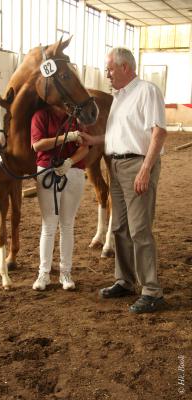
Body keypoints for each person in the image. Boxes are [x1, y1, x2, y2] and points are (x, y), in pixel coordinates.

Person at [80, 47, 167, 313]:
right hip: (116, 166)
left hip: (137, 165)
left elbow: (159, 133)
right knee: (119, 227)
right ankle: (125, 280)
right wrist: (95, 140)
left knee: (140, 229)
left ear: (126, 67)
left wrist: (145, 169)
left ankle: (152, 290)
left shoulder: (147, 91)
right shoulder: (119, 97)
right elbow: (119, 136)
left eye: (110, 69)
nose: (106, 73)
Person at [31, 105, 89, 291]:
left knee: (67, 224)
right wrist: (67, 137)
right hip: (48, 170)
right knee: (48, 224)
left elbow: (85, 147)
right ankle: (44, 273)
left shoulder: (76, 118)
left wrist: (70, 161)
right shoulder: (40, 115)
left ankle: (65, 272)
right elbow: (37, 144)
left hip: (74, 171)